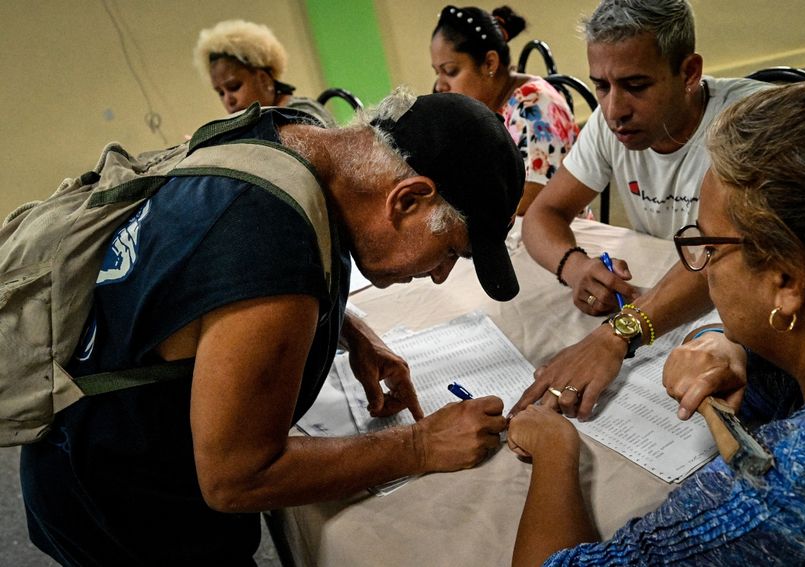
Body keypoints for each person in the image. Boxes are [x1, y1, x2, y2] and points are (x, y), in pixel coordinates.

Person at [19, 88, 525, 565]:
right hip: (119, 495)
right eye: (450, 252)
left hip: (92, 425)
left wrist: (349, 329)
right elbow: (237, 477)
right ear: (407, 199)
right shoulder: (270, 241)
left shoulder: (294, 134)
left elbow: (214, 285)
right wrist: (421, 444)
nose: (439, 274)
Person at [508, 80, 805, 566]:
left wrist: (554, 450)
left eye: (711, 249)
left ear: (787, 281)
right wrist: (717, 338)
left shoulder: (788, 491)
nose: (700, 269)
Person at [513, 0, 768, 420]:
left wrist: (615, 335)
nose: (613, 110)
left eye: (636, 85)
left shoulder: (747, 122)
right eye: (601, 86)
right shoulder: (609, 123)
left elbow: (724, 256)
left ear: (689, 73)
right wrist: (576, 268)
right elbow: (544, 214)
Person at [431, 5, 579, 215]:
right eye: (438, 72)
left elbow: (533, 198)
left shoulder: (534, 105)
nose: (440, 85)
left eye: (450, 71)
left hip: (556, 234)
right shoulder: (483, 108)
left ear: (489, 63)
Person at [193, 19, 334, 125]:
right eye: (221, 93)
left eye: (234, 87)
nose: (228, 100)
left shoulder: (304, 114)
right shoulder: (251, 127)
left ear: (264, 80)